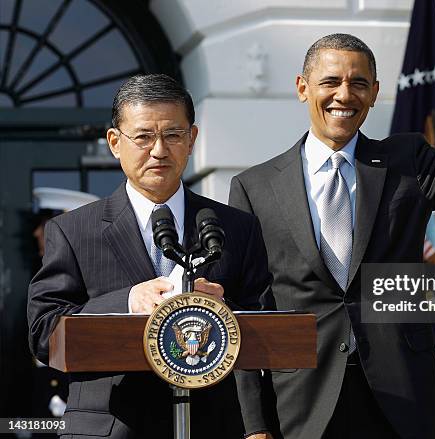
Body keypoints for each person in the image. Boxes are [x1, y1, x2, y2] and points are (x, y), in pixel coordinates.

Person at [229, 17, 435, 439]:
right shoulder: (254, 187)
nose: (344, 95)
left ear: (375, 93)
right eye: (330, 82)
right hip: (300, 404)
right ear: (302, 88)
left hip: (401, 402)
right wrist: (254, 425)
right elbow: (246, 311)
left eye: (359, 84)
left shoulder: (408, 161)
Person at [28, 74, 271, 438]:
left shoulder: (234, 227)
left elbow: (268, 326)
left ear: (192, 140)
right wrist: (127, 301)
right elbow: (44, 331)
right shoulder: (75, 230)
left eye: (173, 135)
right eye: (143, 137)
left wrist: (225, 312)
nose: (159, 150)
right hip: (113, 425)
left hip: (213, 425)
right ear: (115, 142)